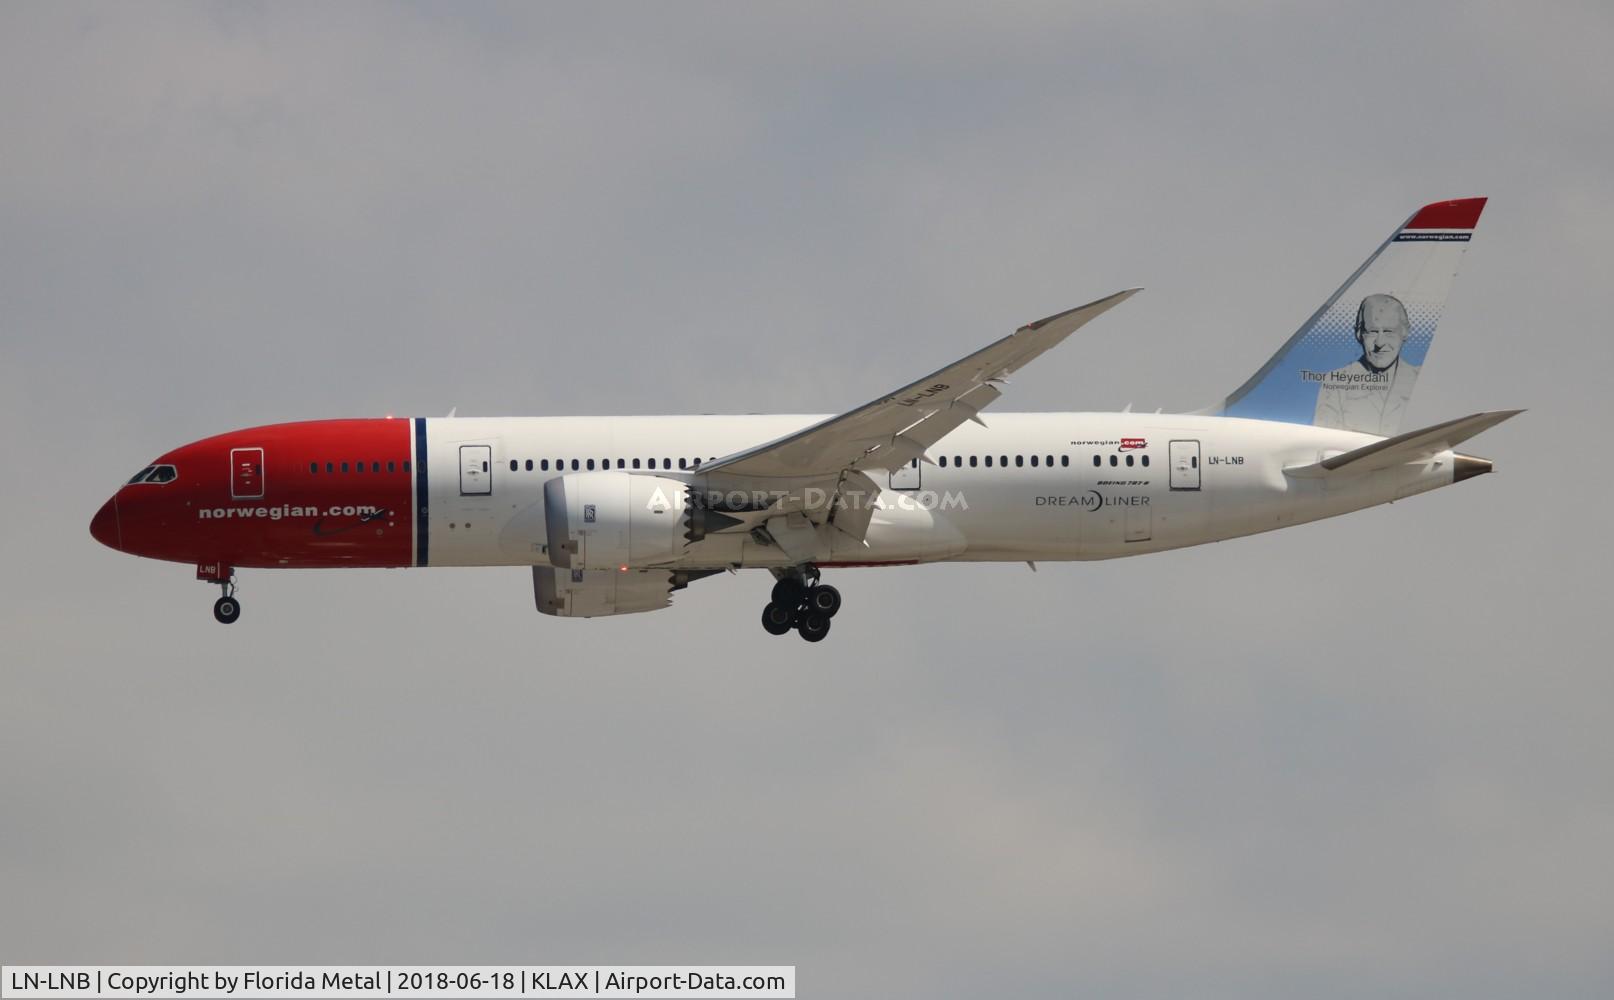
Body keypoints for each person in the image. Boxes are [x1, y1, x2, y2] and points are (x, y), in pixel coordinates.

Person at [1313, 293, 1419, 435]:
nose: (1380, 343)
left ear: (1405, 332)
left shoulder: (1420, 380)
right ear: (1359, 334)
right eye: (1372, 332)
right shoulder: (1336, 382)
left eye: (1388, 332)